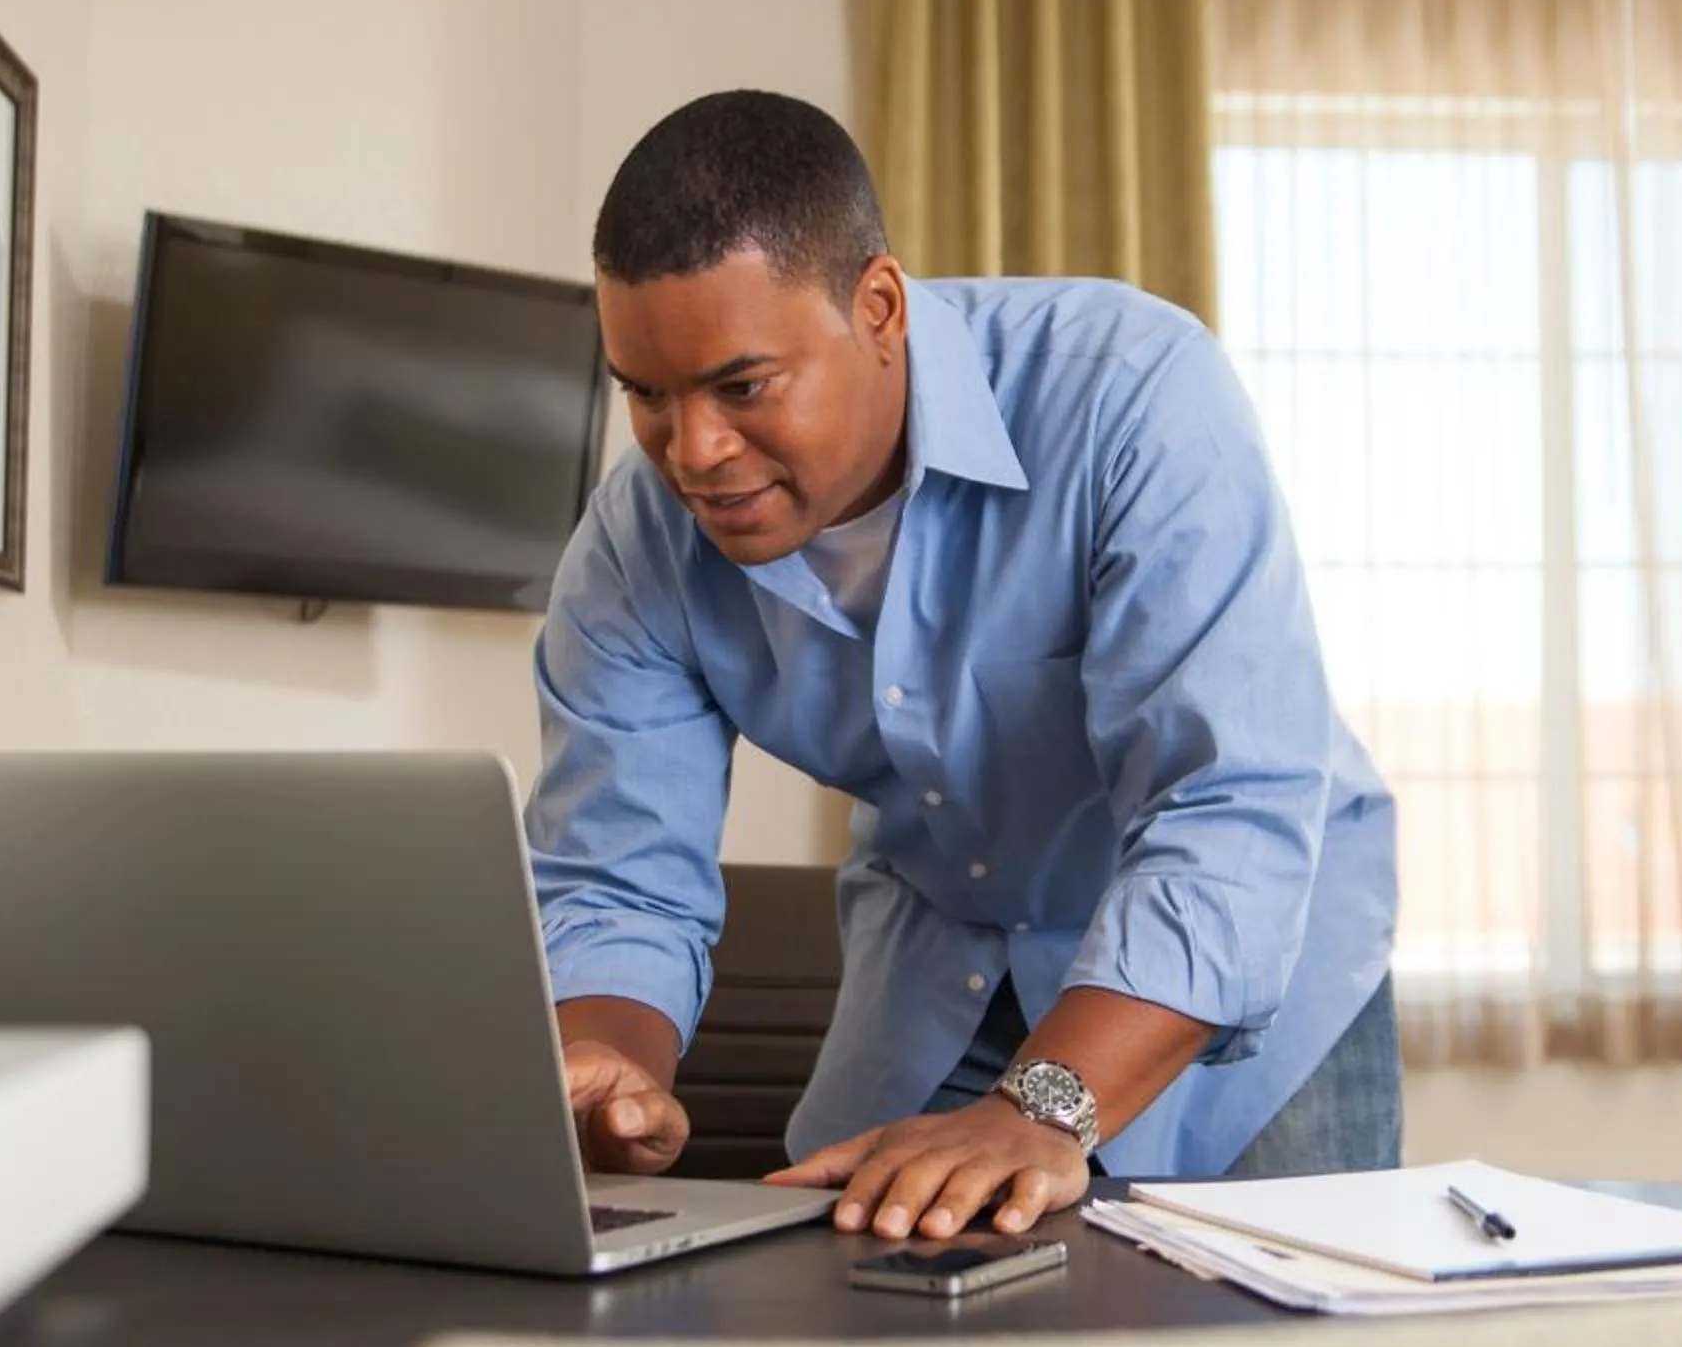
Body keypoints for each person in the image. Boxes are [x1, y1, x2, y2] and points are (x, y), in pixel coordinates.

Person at [530, 89, 1397, 1244]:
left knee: (1268, 1327)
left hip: (1239, 943)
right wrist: (608, 1070)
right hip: (946, 939)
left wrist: (1042, 1106)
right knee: (854, 1303)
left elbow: (1227, 804)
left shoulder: (1132, 394)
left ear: (878, 307)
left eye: (742, 385)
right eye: (646, 392)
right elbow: (619, 876)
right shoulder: (636, 543)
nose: (692, 450)